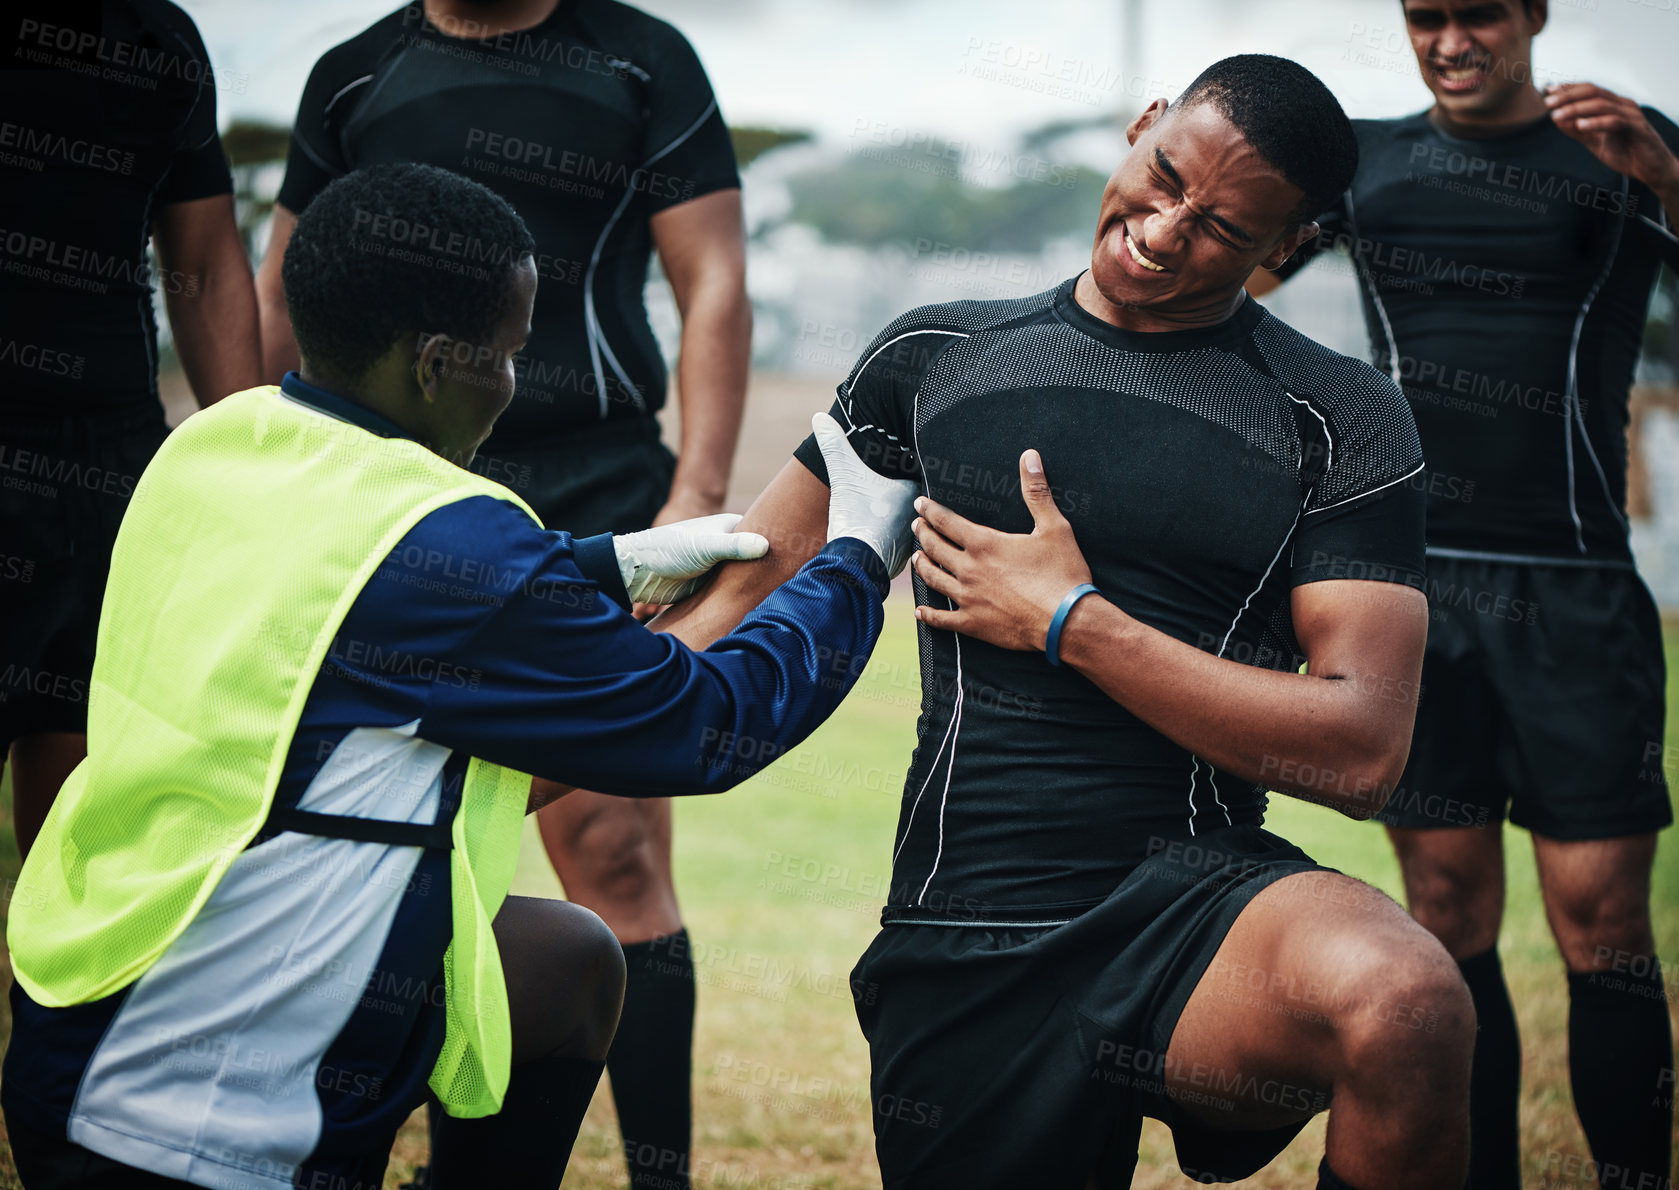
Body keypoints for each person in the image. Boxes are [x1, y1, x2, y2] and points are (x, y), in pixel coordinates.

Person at [1, 162, 917, 1190]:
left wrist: (601, 562)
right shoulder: (452, 533)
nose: (514, 383)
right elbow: (705, 723)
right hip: (197, 1129)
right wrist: (852, 566)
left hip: (76, 1033)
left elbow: (337, 589)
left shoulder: (217, 443)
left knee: (566, 961)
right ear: (436, 363)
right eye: (510, 355)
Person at [654, 55, 1473, 1190]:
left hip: (1195, 900)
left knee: (1407, 1001)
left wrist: (1073, 621)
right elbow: (745, 592)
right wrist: (522, 745)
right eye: (1163, 172)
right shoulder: (930, 358)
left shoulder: (1339, 419)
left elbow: (1363, 747)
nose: (1164, 228)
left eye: (1223, 228)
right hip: (968, 925)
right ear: (1141, 125)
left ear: (1279, 252)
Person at [254, 4, 748, 1177]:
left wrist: (696, 491)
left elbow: (713, 276)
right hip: (394, 491)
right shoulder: (354, 76)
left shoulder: (642, 59)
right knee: (368, 836)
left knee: (615, 859)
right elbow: (284, 289)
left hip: (593, 480)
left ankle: (658, 1173)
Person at [1248, 2, 1679, 1184]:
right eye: (1423, 16)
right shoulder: (1368, 160)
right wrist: (1165, 160)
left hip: (1576, 585)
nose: (1448, 39)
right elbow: (1234, 257)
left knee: (1603, 927)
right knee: (1442, 914)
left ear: (1532, 13)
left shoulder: (1621, 150)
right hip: (1406, 590)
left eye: (1475, 12)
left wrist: (1663, 174)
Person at [0, 0, 261, 859]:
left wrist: (251, 481)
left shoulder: (158, 36)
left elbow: (206, 261)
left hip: (109, 472)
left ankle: (52, 995)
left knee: (83, 825)